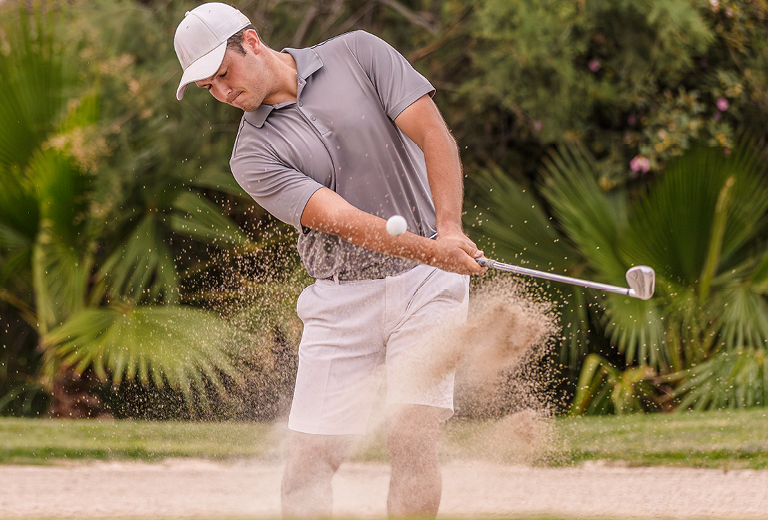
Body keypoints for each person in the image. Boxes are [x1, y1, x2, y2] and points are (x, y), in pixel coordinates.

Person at [173, 3, 486, 517]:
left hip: (429, 286)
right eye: (210, 88)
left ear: (250, 40)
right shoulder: (251, 155)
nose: (224, 94)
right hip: (342, 299)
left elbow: (433, 134)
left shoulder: (358, 53)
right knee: (308, 464)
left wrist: (449, 230)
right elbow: (344, 220)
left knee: (412, 436)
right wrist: (439, 250)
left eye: (223, 74)